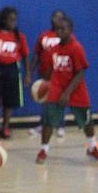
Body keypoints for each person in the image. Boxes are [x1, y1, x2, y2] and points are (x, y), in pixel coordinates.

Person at [37, 17, 98, 164]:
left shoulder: (76, 48)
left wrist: (67, 93)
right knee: (49, 121)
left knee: (87, 121)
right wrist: (43, 84)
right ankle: (44, 149)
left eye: (63, 29)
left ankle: (92, 147)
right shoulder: (53, 49)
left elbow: (80, 72)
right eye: (57, 29)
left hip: (76, 88)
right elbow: (50, 69)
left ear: (71, 30)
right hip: (57, 87)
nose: (60, 32)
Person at [0, 7, 30, 138]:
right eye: (10, 19)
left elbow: (25, 55)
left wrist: (28, 74)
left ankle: (6, 126)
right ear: (4, 20)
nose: (13, 22)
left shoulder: (19, 36)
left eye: (15, 20)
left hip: (12, 69)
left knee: (10, 101)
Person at [28, 9, 68, 137]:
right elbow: (37, 55)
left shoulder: (65, 37)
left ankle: (60, 125)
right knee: (45, 100)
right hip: (45, 73)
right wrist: (30, 72)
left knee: (59, 100)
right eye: (54, 16)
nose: (56, 19)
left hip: (60, 74)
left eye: (60, 17)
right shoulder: (44, 36)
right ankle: (43, 124)